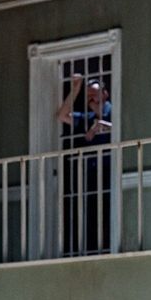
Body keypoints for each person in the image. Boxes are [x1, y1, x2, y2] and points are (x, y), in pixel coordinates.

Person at [57, 75, 112, 254]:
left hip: (111, 172)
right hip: (92, 175)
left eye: (95, 94)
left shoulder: (114, 110)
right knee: (91, 212)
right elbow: (62, 115)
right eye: (88, 96)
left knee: (109, 211)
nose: (91, 99)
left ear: (105, 94)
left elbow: (123, 127)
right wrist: (75, 90)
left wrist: (102, 126)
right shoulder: (87, 118)